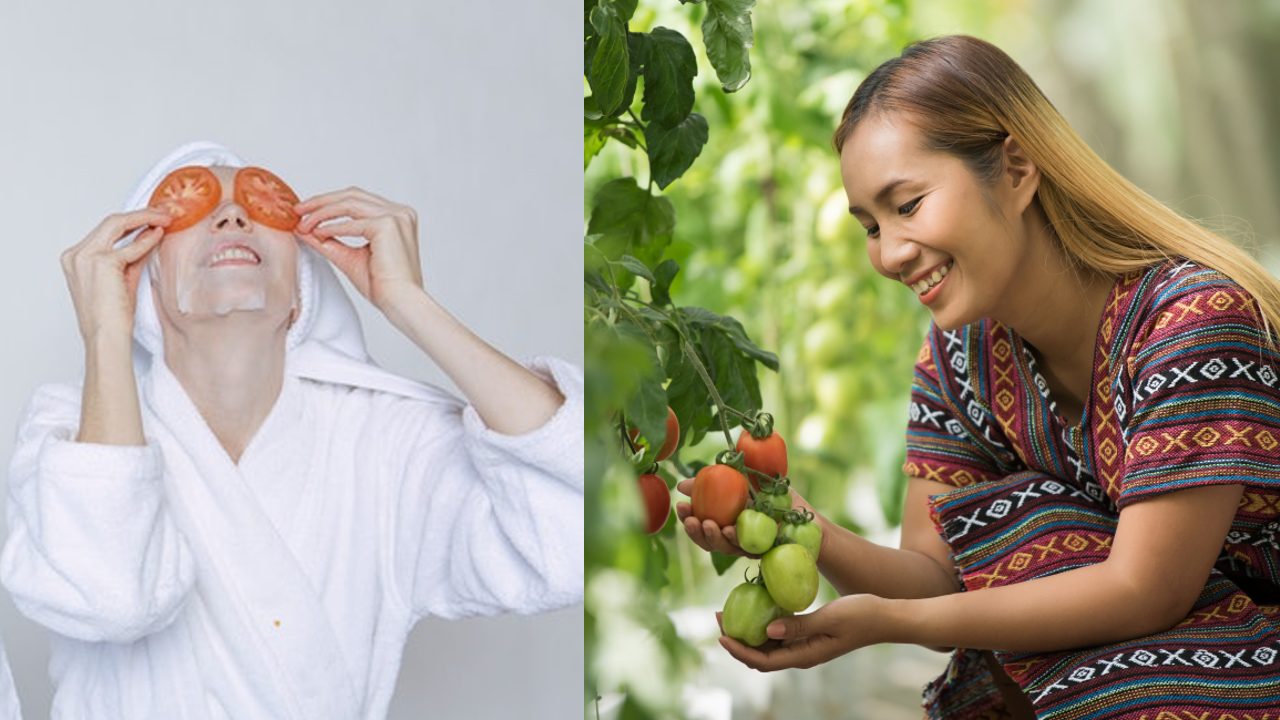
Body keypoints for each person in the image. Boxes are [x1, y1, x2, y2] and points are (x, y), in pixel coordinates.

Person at [677, 35, 1280, 719]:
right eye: (869, 226)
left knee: (1029, 530)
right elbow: (932, 578)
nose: (889, 253)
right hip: (1163, 661)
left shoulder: (1191, 320)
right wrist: (796, 525)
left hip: (1243, 659)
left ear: (1017, 169)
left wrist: (892, 626)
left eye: (906, 205)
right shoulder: (960, 357)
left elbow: (1146, 589)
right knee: (1016, 531)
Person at [0, 141, 583, 719]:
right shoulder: (74, 435)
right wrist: (104, 331)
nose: (232, 215)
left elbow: (572, 534)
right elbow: (112, 600)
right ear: (145, 287)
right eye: (190, 207)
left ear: (301, 293)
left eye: (261, 204)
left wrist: (407, 302)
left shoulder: (380, 443)